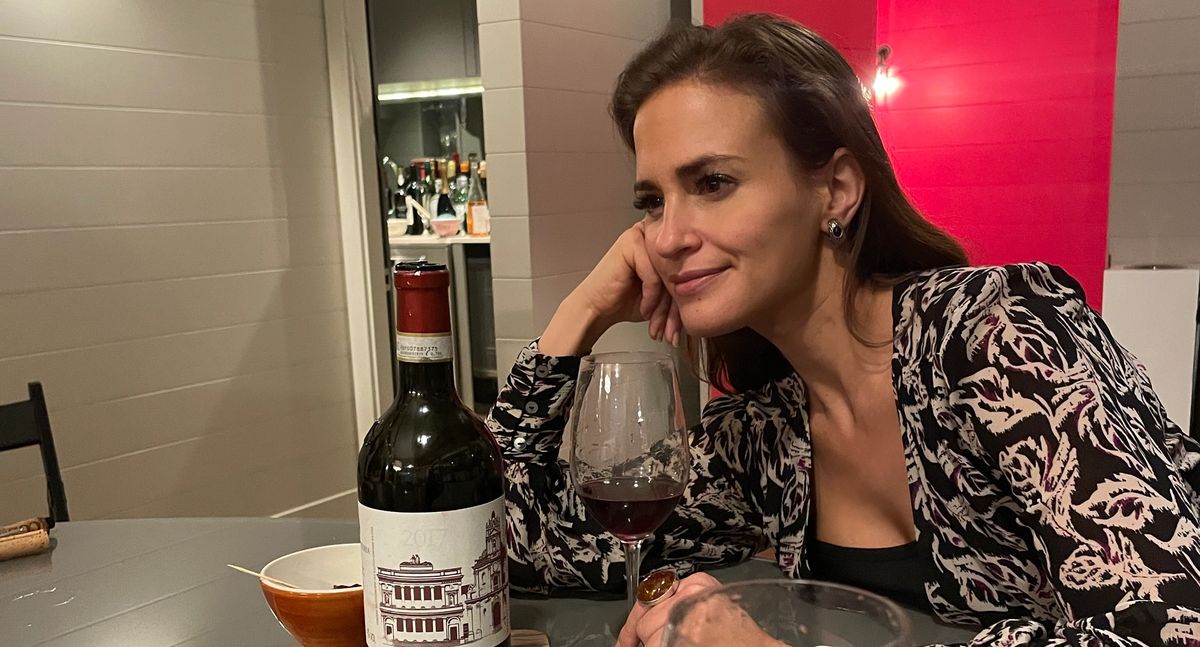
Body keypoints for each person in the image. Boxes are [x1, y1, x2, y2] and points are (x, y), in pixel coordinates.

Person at [485, 13, 1200, 647]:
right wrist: (578, 314)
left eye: (712, 183)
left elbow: (1170, 623)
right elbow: (536, 549)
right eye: (650, 200)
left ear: (837, 190)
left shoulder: (997, 332)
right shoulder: (768, 432)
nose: (666, 237)